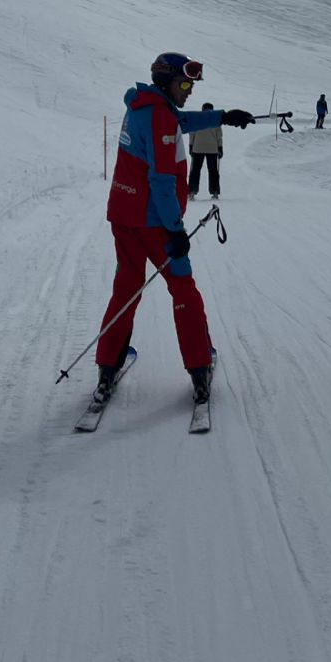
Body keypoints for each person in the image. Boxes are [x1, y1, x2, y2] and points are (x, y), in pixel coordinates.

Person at [98, 53, 254, 404]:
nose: (189, 90)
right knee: (184, 290)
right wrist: (175, 230)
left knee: (126, 289)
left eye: (191, 85)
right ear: (164, 81)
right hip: (154, 223)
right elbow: (162, 179)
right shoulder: (160, 118)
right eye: (184, 84)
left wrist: (222, 117)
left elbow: (179, 120)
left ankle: (107, 368)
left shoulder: (142, 105)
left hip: (123, 216)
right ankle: (199, 369)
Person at [187, 102, 223, 199]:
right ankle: (215, 191)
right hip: (212, 149)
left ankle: (192, 191)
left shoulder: (197, 118)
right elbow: (219, 136)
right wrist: (220, 147)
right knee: (213, 171)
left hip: (197, 148)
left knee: (195, 170)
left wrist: (191, 145)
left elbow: (192, 133)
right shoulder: (216, 119)